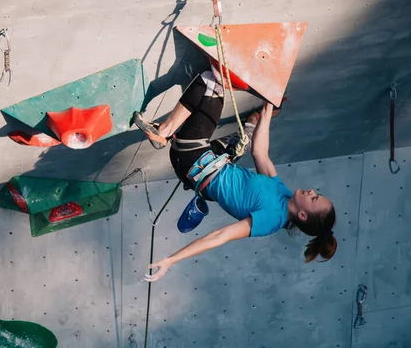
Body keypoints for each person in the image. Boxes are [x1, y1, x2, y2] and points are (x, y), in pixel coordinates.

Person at [132, 66, 337, 283]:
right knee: (245, 141)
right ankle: (253, 119)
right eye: (317, 193)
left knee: (213, 81)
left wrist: (172, 260)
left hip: (192, 160)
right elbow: (260, 154)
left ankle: (163, 132)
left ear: (303, 215)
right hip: (215, 160)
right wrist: (267, 108)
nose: (312, 191)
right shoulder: (284, 195)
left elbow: (220, 237)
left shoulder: (270, 220)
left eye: (314, 198)